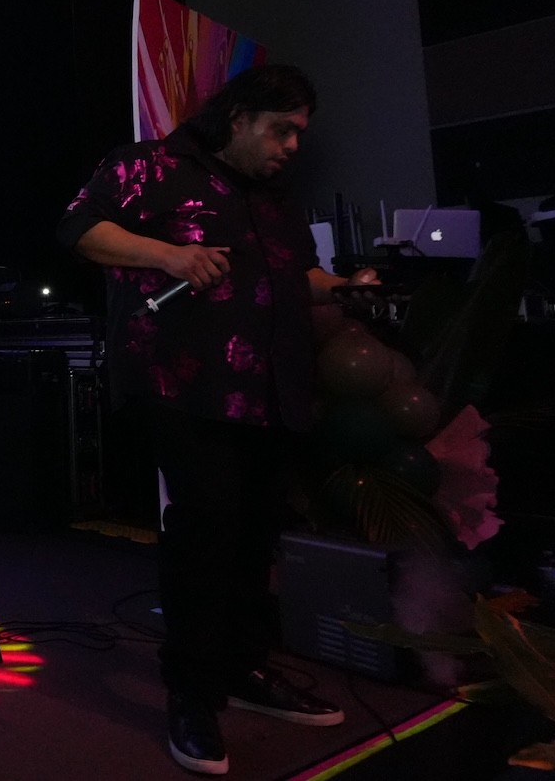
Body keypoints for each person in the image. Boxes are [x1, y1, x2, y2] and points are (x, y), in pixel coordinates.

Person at [56, 65, 379, 776]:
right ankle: (193, 694)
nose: (292, 144)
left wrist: (347, 288)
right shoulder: (151, 167)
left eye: (299, 132)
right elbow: (79, 229)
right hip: (186, 387)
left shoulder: (273, 198)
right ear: (237, 118)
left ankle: (244, 669)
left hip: (272, 390)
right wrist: (170, 253)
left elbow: (292, 277)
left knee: (257, 534)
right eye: (280, 129)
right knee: (207, 532)